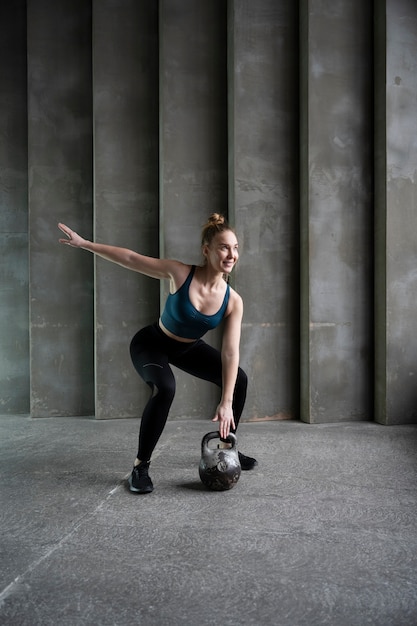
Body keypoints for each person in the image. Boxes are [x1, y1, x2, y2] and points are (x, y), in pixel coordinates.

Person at [58, 213, 257, 494]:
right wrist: (86, 244)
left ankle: (226, 450)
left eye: (235, 248)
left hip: (188, 348)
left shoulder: (233, 300)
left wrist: (226, 402)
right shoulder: (180, 273)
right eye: (224, 247)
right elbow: (130, 258)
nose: (231, 254)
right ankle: (140, 466)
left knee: (239, 379)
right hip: (152, 343)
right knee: (165, 388)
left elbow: (230, 352)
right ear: (207, 250)